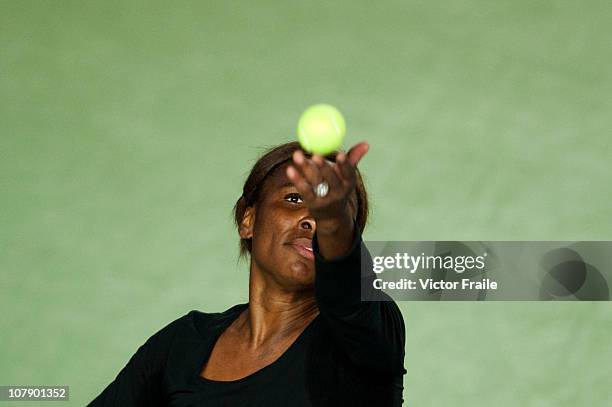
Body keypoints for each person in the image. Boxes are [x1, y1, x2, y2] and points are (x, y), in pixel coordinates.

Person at [88, 141, 406, 406]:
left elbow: (347, 287)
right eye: (294, 198)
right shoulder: (182, 344)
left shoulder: (371, 329)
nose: (313, 218)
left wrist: (335, 220)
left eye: (333, 210)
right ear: (248, 219)